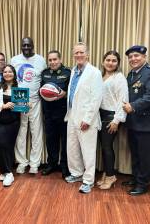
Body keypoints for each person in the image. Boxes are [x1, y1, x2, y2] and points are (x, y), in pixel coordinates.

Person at [122, 45, 150, 196]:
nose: (133, 59)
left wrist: (133, 106)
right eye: (131, 57)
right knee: (136, 154)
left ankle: (143, 185)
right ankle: (136, 178)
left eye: (137, 56)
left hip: (148, 124)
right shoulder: (131, 74)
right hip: (134, 123)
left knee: (146, 156)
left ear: (144, 57)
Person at [64, 42, 103, 194]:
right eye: (76, 53)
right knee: (72, 148)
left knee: (88, 151)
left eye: (81, 52)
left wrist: (87, 119)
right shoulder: (74, 71)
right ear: (73, 55)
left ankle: (88, 181)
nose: (79, 55)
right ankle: (77, 173)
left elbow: (96, 98)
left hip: (87, 118)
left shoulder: (94, 73)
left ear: (87, 54)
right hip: (72, 114)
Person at [11, 37, 47, 174]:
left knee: (36, 132)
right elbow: (11, 78)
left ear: (33, 46)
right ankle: (21, 162)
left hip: (35, 100)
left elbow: (44, 78)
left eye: (29, 45)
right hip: (19, 99)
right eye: (24, 45)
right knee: (21, 132)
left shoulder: (40, 60)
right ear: (21, 46)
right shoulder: (14, 60)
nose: (26, 47)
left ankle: (34, 163)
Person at [97, 51, 128, 190]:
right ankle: (106, 172)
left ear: (118, 63)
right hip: (99, 115)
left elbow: (123, 99)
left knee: (107, 147)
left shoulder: (119, 78)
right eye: (108, 60)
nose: (110, 63)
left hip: (111, 116)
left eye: (114, 60)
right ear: (103, 61)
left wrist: (117, 120)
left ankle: (111, 176)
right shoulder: (100, 76)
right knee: (103, 147)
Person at [40, 50, 71, 178]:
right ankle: (51, 164)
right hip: (48, 113)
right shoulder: (44, 73)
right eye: (50, 60)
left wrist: (64, 94)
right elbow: (40, 91)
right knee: (50, 140)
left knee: (65, 141)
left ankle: (65, 166)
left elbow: (73, 91)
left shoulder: (68, 73)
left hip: (63, 113)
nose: (52, 62)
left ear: (60, 59)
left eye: (55, 59)